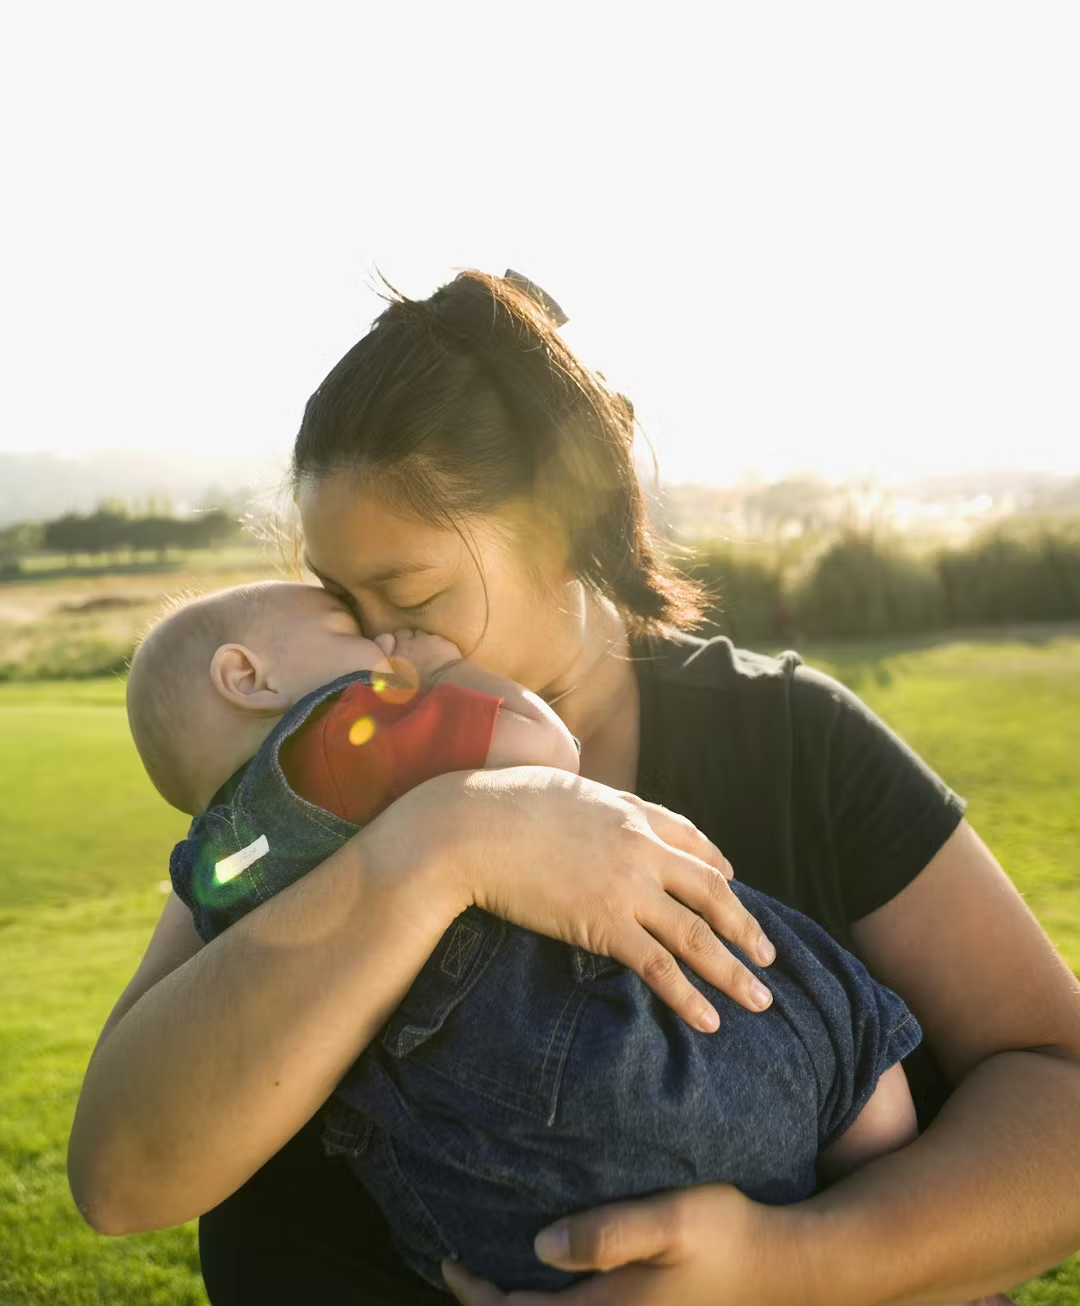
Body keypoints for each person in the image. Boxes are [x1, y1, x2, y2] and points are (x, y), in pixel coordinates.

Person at [68, 270, 1080, 1305]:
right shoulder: (321, 800)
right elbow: (121, 1174)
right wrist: (448, 840)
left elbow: (1060, 1089)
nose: (372, 642)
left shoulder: (790, 742)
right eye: (338, 601)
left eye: (411, 593)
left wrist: (790, 1267)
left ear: (567, 527)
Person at [123, 579, 922, 1291]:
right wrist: (440, 673)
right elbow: (544, 749)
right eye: (346, 626)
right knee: (843, 1028)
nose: (380, 643)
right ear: (248, 677)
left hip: (477, 1189)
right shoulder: (343, 731)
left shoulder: (223, 868)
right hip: (604, 1062)